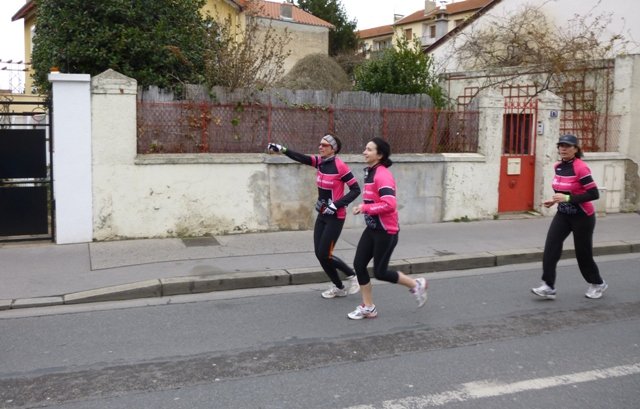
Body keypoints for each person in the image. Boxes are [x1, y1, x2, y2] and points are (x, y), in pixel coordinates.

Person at [267, 134, 361, 298]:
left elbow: (356, 190)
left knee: (326, 254)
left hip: (336, 217)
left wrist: (336, 205)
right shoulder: (320, 163)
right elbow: (300, 158)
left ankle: (353, 276)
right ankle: (338, 287)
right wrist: (282, 149)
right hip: (322, 215)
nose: (320, 147)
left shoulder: (341, 167)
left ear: (333, 149)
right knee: (320, 254)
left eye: (324, 145)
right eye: (320, 144)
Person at [347, 137, 427, 320]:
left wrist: (365, 208)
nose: (364, 152)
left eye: (369, 149)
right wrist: (365, 206)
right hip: (373, 228)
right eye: (365, 148)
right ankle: (369, 307)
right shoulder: (371, 172)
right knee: (359, 265)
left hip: (386, 231)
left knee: (380, 272)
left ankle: (416, 284)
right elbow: (376, 200)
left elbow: (390, 204)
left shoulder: (382, 174)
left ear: (379, 155)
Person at [532, 134, 607, 300]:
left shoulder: (581, 168)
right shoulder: (558, 166)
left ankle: (598, 283)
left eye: (567, 146)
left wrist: (567, 199)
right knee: (551, 248)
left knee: (583, 254)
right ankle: (548, 286)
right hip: (563, 215)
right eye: (561, 145)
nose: (563, 149)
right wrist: (554, 201)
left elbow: (594, 194)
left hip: (583, 217)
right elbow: (563, 190)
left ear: (576, 149)